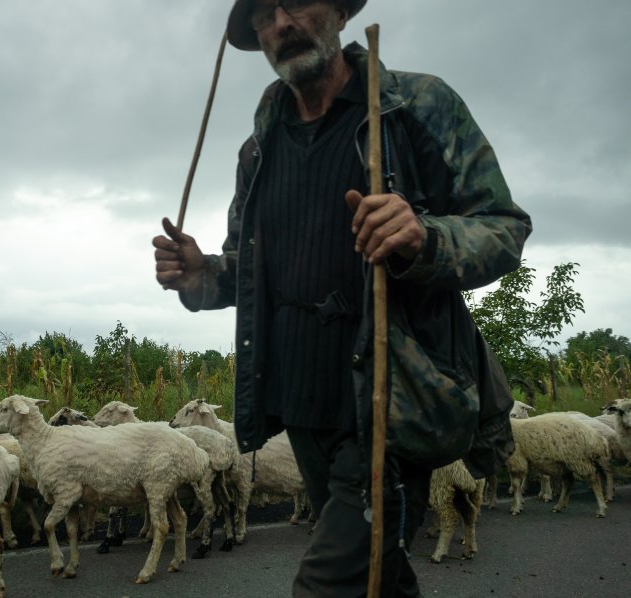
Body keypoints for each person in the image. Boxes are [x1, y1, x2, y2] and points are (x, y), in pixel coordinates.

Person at [153, 0, 532, 596]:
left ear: (336, 10)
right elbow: (246, 274)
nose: (281, 24)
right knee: (379, 574)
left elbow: (503, 228)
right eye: (263, 16)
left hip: (391, 402)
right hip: (300, 403)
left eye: (296, 2)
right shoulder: (259, 149)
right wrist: (201, 275)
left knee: (328, 585)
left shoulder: (414, 108)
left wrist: (423, 237)